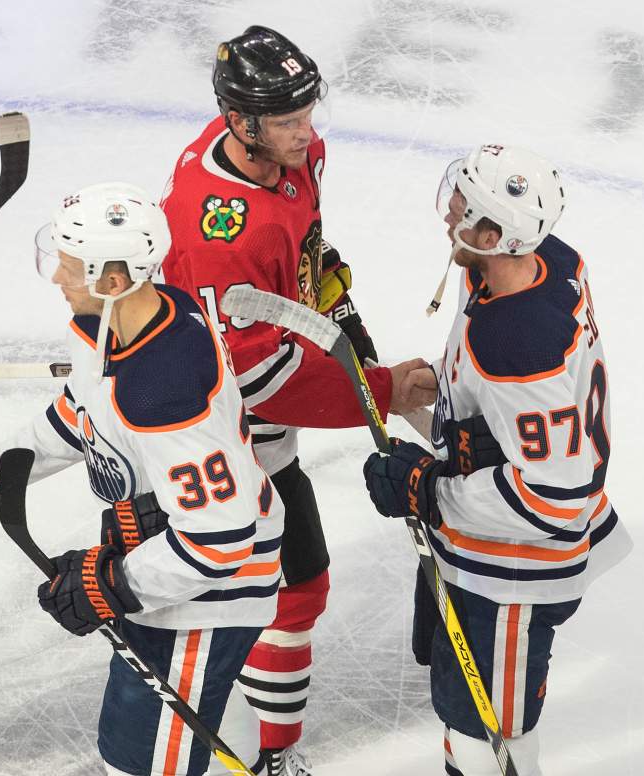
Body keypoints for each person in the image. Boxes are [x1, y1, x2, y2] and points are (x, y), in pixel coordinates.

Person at [158, 25, 431, 774]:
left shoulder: (293, 152)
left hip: (248, 403)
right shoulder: (223, 226)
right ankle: (249, 754)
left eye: (309, 111)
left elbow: (305, 244)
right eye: (287, 120)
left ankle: (269, 750)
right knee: (280, 590)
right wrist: (378, 389)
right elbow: (258, 378)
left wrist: (330, 289)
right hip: (215, 428)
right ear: (241, 122)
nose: (307, 132)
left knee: (290, 589)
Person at [0, 182, 286, 775]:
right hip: (174, 560)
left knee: (140, 757)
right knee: (202, 708)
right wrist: (3, 466)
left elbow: (218, 541)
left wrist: (113, 585)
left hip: (207, 592)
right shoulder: (125, 320)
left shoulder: (166, 391)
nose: (57, 276)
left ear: (112, 281)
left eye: (71, 265)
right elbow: (81, 409)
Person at [361, 144, 633, 775]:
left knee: (491, 736)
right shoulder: (538, 264)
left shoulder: (516, 345)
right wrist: (439, 386)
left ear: (494, 231)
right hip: (490, 549)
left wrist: (427, 491)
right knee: (467, 715)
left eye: (464, 206)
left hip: (514, 569)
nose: (448, 210)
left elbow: (552, 498)